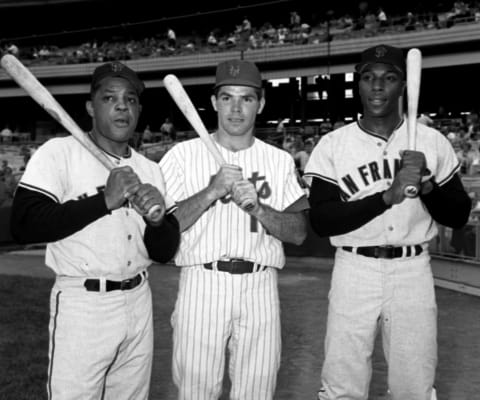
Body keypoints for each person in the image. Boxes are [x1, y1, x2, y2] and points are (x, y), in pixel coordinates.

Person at [304, 44, 471, 400]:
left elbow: (457, 215)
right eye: (368, 77)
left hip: (412, 270)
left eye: (389, 78)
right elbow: (321, 220)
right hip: (354, 269)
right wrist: (386, 198)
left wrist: (426, 184)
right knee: (342, 383)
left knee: (414, 384)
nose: (377, 86)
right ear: (358, 85)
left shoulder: (432, 141)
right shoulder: (333, 145)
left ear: (403, 87)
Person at [10, 61, 180, 399]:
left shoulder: (149, 169)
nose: (121, 106)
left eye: (130, 99)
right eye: (109, 98)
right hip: (83, 305)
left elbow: (164, 251)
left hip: (138, 302)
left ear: (139, 110)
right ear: (90, 107)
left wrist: (158, 222)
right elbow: (24, 223)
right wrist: (105, 200)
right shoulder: (60, 152)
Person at [159, 59, 308, 400]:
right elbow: (163, 231)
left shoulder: (278, 160)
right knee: (196, 391)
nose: (236, 108)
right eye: (227, 98)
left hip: (260, 285)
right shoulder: (181, 156)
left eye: (247, 98)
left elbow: (298, 232)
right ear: (214, 103)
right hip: (202, 282)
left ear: (261, 103)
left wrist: (259, 208)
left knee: (257, 390)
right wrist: (211, 191)